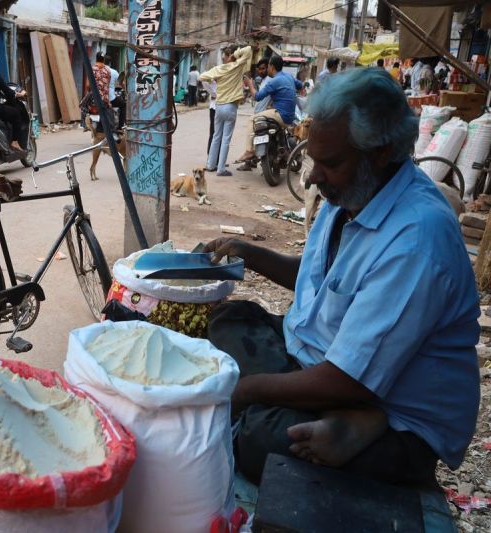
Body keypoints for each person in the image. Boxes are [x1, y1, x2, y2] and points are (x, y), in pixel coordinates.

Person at [205, 68, 480, 487]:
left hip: (388, 408)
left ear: (380, 153)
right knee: (230, 320)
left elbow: (348, 378)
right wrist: (248, 253)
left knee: (257, 436)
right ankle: (343, 417)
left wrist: (247, 390)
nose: (313, 175)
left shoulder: (417, 240)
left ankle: (367, 422)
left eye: (329, 163)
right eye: (315, 159)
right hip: (324, 360)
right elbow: (321, 280)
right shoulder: (352, 192)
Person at [236, 55, 302, 164]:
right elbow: (300, 85)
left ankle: (249, 151)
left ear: (271, 67)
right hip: (290, 117)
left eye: (267, 67)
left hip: (281, 115)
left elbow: (257, 97)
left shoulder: (273, 81)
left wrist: (250, 85)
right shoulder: (289, 76)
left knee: (252, 119)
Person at [199, 44, 253, 176]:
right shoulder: (237, 66)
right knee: (226, 139)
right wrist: (236, 55)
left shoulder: (219, 69)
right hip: (230, 106)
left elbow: (202, 77)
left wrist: (214, 91)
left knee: (216, 136)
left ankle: (210, 164)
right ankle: (221, 169)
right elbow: (249, 49)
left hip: (219, 105)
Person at [104, 55, 126, 131]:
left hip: (100, 97)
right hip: (110, 97)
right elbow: (121, 82)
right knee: (123, 105)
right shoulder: (114, 72)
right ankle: (120, 126)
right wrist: (125, 89)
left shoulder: (98, 71)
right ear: (110, 63)